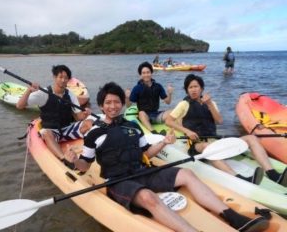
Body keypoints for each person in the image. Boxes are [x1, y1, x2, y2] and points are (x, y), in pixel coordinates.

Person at [71, 82, 268, 232]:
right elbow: (85, 166)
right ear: (101, 105)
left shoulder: (131, 127)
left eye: (116, 102)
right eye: (108, 102)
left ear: (122, 104)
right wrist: (73, 160)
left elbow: (145, 153)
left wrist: (164, 142)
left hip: (142, 171)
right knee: (148, 196)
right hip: (118, 181)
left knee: (187, 174)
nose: (113, 106)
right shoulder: (93, 133)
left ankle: (233, 217)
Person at [165, 74, 287, 186]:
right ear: (187, 90)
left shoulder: (211, 103)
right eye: (190, 87)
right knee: (207, 147)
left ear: (201, 88)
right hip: (196, 144)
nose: (193, 89)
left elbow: (219, 121)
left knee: (251, 138)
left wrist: (210, 105)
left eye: (196, 86)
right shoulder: (183, 104)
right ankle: (238, 177)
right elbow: (169, 121)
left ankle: (272, 173)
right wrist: (187, 131)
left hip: (215, 140)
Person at [16, 65, 93, 168]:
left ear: (68, 80)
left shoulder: (70, 95)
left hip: (67, 129)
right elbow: (19, 106)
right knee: (46, 132)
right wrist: (29, 90)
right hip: (53, 132)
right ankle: (64, 159)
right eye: (60, 77)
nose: (63, 80)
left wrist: (85, 114)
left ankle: (90, 152)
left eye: (66, 78)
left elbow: (79, 117)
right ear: (54, 77)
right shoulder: (43, 93)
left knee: (90, 123)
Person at [125, 61, 173, 134]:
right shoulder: (137, 88)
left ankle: (179, 129)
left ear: (151, 73)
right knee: (141, 113)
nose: (146, 75)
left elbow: (168, 102)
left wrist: (170, 93)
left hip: (157, 115)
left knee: (174, 111)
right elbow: (128, 105)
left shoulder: (158, 86)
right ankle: (153, 132)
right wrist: (127, 97)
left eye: (148, 72)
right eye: (143, 73)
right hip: (145, 117)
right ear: (140, 75)